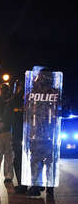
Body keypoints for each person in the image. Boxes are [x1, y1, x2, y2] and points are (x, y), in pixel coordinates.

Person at [25, 68, 60, 197]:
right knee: (44, 160)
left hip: (42, 132)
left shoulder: (36, 92)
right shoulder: (53, 92)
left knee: (37, 160)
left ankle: (39, 186)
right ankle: (45, 187)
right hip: (43, 132)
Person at [11, 78, 28, 194]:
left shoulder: (19, 97)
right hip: (20, 132)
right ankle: (25, 184)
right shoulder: (17, 97)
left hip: (20, 133)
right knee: (20, 159)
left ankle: (23, 184)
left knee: (19, 159)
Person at [0, 84, 14, 183]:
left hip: (3, 130)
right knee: (7, 155)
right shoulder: (10, 100)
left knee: (1, 155)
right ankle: (8, 175)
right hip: (7, 130)